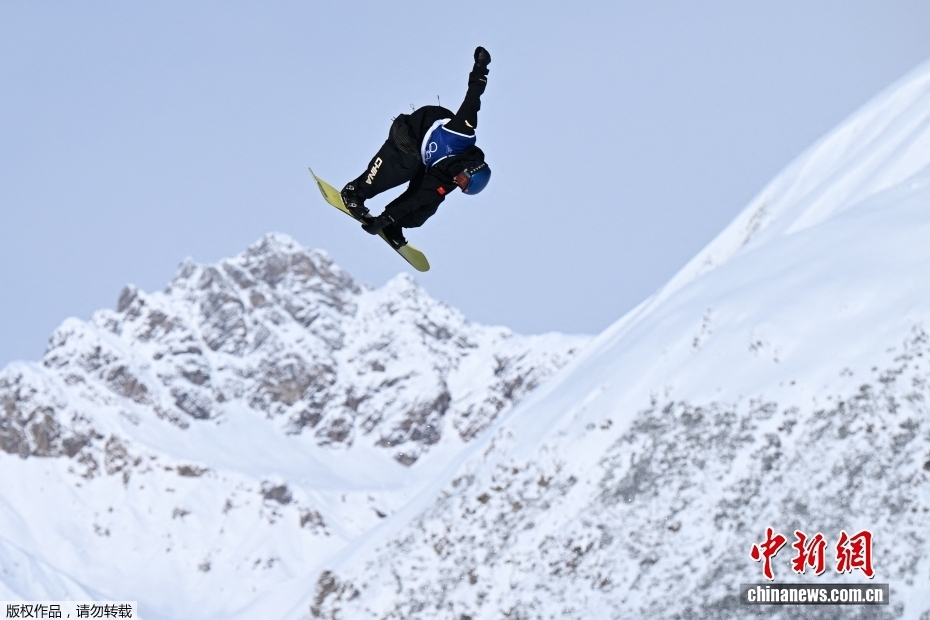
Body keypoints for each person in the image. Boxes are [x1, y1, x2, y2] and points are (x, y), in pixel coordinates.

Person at [340, 46, 492, 248]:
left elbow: (417, 198)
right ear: (469, 168)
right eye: (463, 179)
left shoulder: (448, 180)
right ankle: (354, 192)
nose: (458, 181)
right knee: (404, 166)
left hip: (427, 161)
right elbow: (474, 97)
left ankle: (396, 225)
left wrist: (386, 220)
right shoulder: (462, 132)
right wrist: (481, 66)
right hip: (412, 131)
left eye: (461, 186)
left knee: (426, 205)